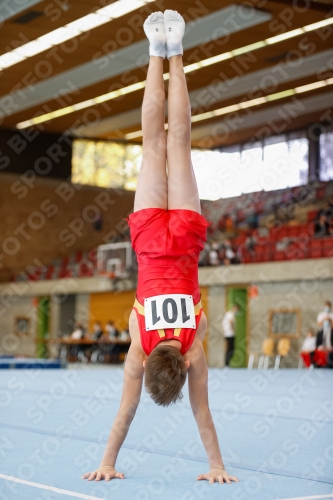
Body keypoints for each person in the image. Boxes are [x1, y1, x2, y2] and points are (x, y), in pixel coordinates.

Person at [82, 10, 238, 486]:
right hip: (150, 240)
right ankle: (155, 50)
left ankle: (177, 48)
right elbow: (125, 414)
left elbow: (204, 415)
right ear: (150, 362)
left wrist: (217, 466)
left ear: (184, 362)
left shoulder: (197, 337)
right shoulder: (138, 340)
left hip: (186, 238)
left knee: (180, 146)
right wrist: (106, 461)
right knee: (153, 146)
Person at [316, 300, 333, 368]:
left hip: (330, 332)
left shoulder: (332, 315)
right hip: (323, 332)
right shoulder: (321, 314)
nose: (327, 307)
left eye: (329, 306)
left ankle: (330, 363)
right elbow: (319, 324)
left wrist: (330, 320)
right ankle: (320, 364)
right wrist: (324, 319)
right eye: (326, 306)